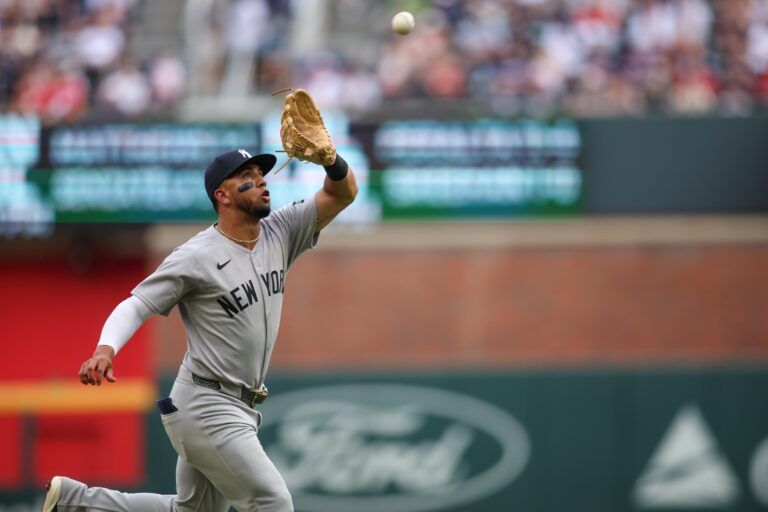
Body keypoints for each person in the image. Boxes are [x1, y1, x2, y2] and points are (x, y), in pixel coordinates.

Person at [42, 148, 358, 512]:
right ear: (221, 196)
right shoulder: (196, 255)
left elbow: (342, 192)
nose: (260, 181)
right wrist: (105, 348)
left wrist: (330, 159)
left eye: (260, 172)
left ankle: (73, 501)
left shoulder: (281, 231)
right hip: (207, 403)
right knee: (273, 503)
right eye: (247, 176)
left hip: (238, 404)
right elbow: (138, 303)